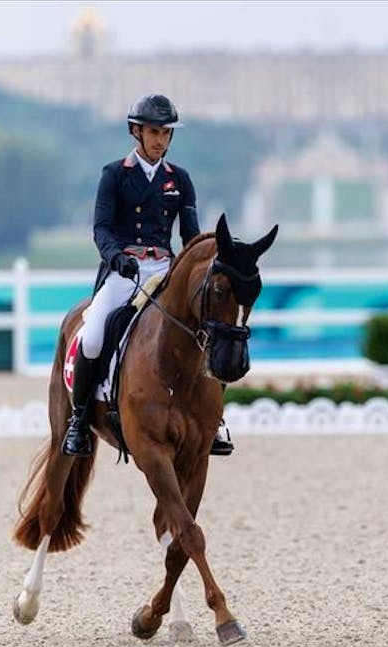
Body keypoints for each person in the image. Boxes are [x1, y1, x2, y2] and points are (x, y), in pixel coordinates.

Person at [62, 93, 234, 458]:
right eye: (154, 132)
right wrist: (116, 256)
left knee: (206, 331)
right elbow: (102, 229)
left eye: (166, 133)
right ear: (136, 132)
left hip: (165, 269)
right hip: (124, 270)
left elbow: (190, 235)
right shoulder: (114, 175)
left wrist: (202, 266)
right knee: (92, 337)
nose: (160, 140)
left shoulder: (180, 180)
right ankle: (79, 420)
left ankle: (213, 421)